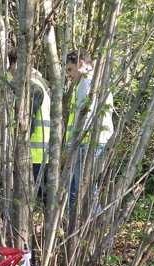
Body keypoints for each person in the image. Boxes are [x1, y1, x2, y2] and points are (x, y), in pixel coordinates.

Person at [65, 48, 114, 209]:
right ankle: (89, 223)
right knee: (86, 188)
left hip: (88, 142)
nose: (69, 75)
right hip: (95, 141)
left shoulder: (87, 82)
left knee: (85, 189)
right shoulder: (97, 80)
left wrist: (71, 146)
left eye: (70, 69)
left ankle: (93, 222)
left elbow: (84, 116)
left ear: (80, 63)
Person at [7, 48, 51, 197]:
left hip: (32, 151)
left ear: (14, 65)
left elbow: (27, 120)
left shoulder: (31, 85)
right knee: (40, 195)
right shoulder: (36, 81)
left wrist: (17, 144)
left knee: (39, 194)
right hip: (37, 150)